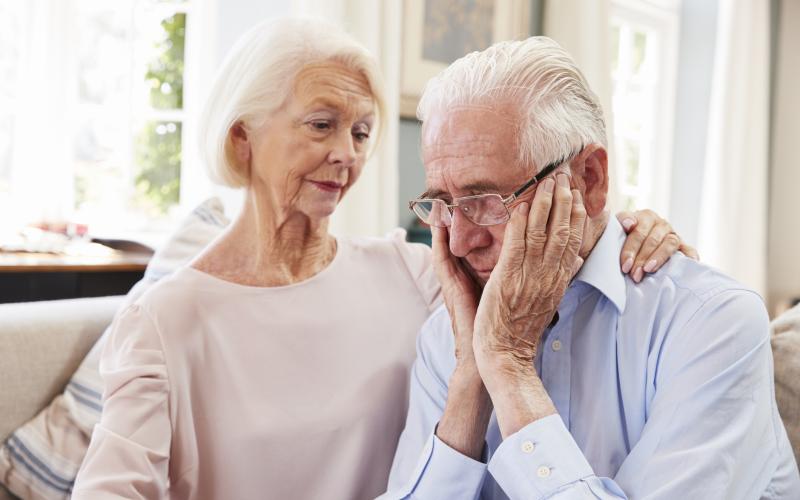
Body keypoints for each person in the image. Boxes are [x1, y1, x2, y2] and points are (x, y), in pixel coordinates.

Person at [72, 19, 690, 499]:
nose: (347, 154)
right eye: (321, 124)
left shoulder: (415, 273)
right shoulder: (161, 321)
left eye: (362, 132)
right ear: (243, 136)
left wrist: (628, 226)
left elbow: (546, 250)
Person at [384, 36, 800, 499]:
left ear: (589, 179)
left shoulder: (713, 321)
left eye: (485, 201)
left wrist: (507, 362)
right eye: (442, 203)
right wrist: (471, 373)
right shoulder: (450, 334)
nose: (460, 241)